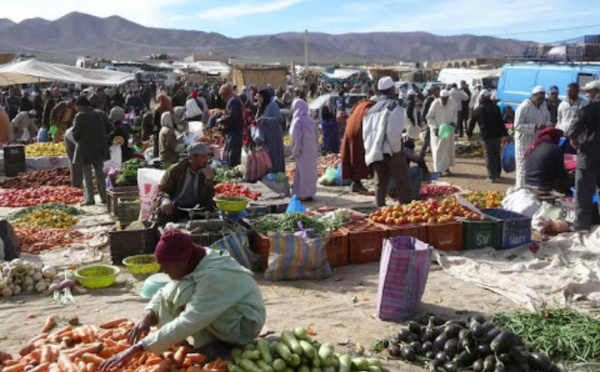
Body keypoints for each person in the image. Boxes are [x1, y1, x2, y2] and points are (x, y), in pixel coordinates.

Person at [98, 230, 266, 371]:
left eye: (166, 266)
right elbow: (163, 292)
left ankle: (224, 344)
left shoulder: (212, 276)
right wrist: (147, 314)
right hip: (224, 311)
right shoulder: (195, 258)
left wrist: (138, 347)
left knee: (185, 292)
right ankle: (199, 341)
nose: (164, 271)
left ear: (182, 260)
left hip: (244, 324)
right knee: (174, 290)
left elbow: (190, 320)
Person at [363, 76, 411, 207]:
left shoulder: (372, 109)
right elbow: (393, 132)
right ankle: (406, 209)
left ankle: (380, 208)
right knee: (402, 181)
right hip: (391, 150)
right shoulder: (394, 105)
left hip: (376, 150)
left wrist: (372, 150)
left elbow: (366, 134)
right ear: (391, 89)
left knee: (380, 182)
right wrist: (396, 150)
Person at [152, 142, 216, 225]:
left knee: (212, 211)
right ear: (193, 157)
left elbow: (209, 197)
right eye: (203, 156)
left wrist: (209, 181)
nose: (206, 159)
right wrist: (165, 199)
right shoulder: (175, 170)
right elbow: (162, 189)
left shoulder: (206, 171)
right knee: (163, 212)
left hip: (197, 209)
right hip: (176, 207)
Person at [566, 80, 600, 232]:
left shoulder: (590, 106)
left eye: (589, 91)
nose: (586, 94)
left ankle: (581, 225)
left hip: (589, 154)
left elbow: (575, 124)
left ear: (596, 91)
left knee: (584, 190)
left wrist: (573, 137)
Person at [72, 96, 113, 206]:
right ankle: (104, 197)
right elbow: (111, 128)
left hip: (85, 150)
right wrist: (102, 138)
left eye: (76, 106)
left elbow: (75, 133)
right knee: (100, 173)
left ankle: (89, 199)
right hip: (100, 148)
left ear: (80, 106)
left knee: (87, 175)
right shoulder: (101, 114)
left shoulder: (80, 116)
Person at [514, 86, 551, 189]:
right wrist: (535, 127)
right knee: (523, 165)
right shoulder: (524, 107)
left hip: (537, 140)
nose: (540, 101)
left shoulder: (543, 105)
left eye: (542, 99)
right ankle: (520, 190)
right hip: (524, 140)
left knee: (534, 164)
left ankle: (531, 189)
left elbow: (547, 118)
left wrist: (547, 125)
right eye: (539, 99)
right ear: (534, 96)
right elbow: (517, 126)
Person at [467, 89, 508, 182]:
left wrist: (469, 133)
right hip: (497, 135)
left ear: (481, 98)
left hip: (486, 135)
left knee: (489, 155)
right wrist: (505, 133)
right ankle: (497, 174)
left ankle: (491, 175)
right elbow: (500, 122)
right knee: (496, 154)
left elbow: (472, 123)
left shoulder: (478, 109)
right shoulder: (496, 108)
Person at [341, 97, 375, 194]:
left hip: (352, 132)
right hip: (358, 134)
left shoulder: (360, 106)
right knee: (359, 157)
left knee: (353, 156)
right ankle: (357, 183)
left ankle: (356, 183)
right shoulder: (369, 107)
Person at [289, 99, 319, 201]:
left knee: (302, 173)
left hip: (303, 150)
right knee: (310, 172)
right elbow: (317, 134)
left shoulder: (297, 121)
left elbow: (297, 139)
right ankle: (309, 193)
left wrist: (294, 153)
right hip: (312, 149)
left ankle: (303, 194)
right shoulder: (309, 119)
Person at [525, 128, 567, 193]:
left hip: (528, 183)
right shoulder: (556, 149)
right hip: (543, 186)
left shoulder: (533, 147)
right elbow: (560, 173)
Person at [426, 89, 457, 175]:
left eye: (445, 99)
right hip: (438, 131)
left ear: (448, 97)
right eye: (442, 99)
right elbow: (429, 117)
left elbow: (455, 114)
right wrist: (435, 127)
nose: (444, 101)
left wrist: (453, 122)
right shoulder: (435, 104)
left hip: (448, 131)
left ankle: (446, 168)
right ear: (440, 97)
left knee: (447, 150)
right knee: (438, 150)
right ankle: (438, 170)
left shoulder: (452, 103)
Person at [256, 89, 285, 173]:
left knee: (275, 156)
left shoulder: (273, 105)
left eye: (260, 97)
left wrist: (266, 119)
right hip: (265, 136)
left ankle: (277, 175)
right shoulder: (261, 107)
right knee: (267, 156)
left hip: (274, 135)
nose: (258, 99)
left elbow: (280, 118)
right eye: (258, 97)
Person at [217, 84, 244, 168]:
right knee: (231, 152)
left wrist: (221, 120)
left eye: (223, 96)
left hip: (234, 131)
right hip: (232, 130)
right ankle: (233, 169)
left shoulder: (233, 101)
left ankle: (234, 171)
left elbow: (232, 116)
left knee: (233, 154)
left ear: (226, 94)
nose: (222, 98)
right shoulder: (233, 100)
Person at [557, 83, 588, 148]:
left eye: (571, 91)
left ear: (577, 91)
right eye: (567, 91)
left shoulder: (583, 104)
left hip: (576, 137)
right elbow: (559, 120)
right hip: (562, 135)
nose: (568, 93)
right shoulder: (562, 104)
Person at [420, 86, 440, 159]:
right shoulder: (429, 100)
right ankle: (421, 155)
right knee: (427, 138)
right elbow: (424, 112)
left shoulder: (439, 99)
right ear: (434, 91)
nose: (438, 92)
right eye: (437, 90)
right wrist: (426, 122)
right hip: (431, 122)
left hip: (439, 122)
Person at [154, 94, 175, 159]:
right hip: (169, 127)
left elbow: (155, 120)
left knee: (159, 143)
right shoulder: (169, 107)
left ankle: (158, 156)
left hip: (159, 128)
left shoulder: (158, 109)